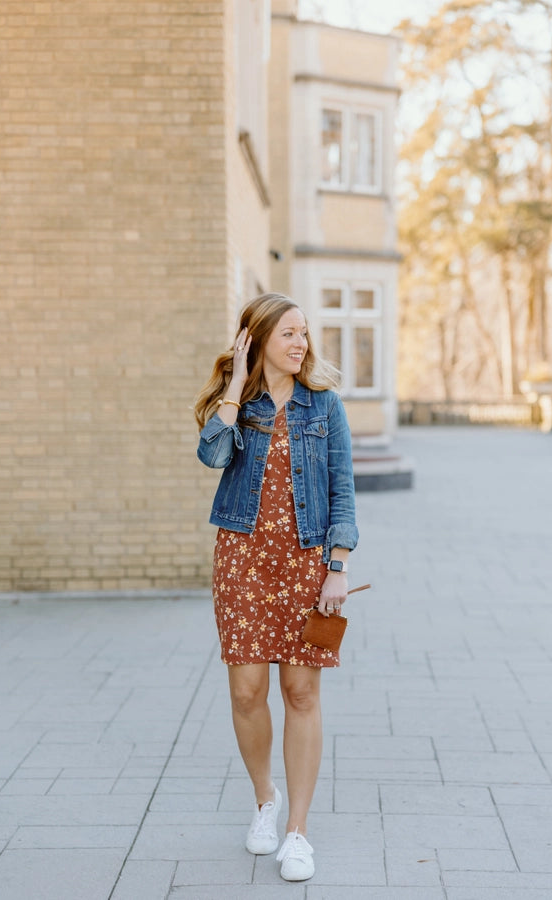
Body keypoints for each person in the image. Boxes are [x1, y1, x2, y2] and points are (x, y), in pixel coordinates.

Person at [194, 293, 358, 881]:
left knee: (301, 693)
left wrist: (336, 565)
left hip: (305, 560)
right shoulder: (237, 405)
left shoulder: (325, 407)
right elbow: (211, 455)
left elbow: (343, 486)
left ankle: (298, 831)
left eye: (305, 334)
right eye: (289, 333)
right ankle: (266, 802)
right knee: (246, 690)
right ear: (258, 339)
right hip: (242, 559)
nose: (301, 344)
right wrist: (237, 385)